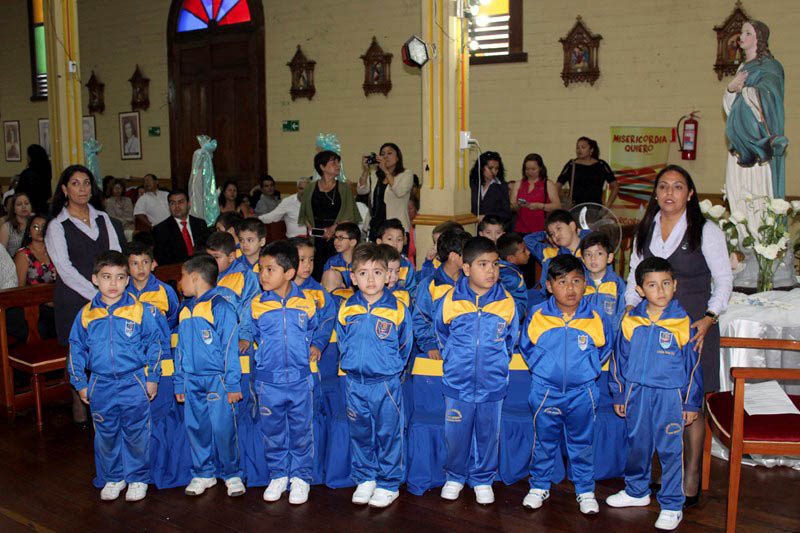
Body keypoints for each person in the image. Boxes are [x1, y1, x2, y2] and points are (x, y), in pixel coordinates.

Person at [625, 164, 732, 506]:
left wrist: (709, 317)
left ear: (689, 194)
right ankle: (667, 472)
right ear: (655, 194)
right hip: (652, 330)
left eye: (678, 186)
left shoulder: (705, 230)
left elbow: (724, 280)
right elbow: (633, 277)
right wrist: (630, 311)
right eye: (664, 186)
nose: (670, 192)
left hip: (694, 329)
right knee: (658, 401)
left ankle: (691, 476)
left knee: (690, 404)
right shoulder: (646, 230)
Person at [607, 257, 702, 531]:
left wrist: (689, 401)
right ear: (639, 290)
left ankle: (673, 504)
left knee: (671, 450)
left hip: (670, 396)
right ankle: (636, 491)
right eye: (652, 285)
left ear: (675, 285)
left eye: (666, 284)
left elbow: (693, 367)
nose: (660, 291)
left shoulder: (683, 323)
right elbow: (618, 360)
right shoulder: (630, 321)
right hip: (636, 392)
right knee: (638, 445)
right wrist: (619, 394)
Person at [67, 251, 166, 502]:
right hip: (100, 383)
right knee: (106, 433)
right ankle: (114, 477)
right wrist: (80, 382)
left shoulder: (139, 310)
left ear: (127, 280)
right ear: (94, 279)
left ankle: (137, 477)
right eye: (107, 277)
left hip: (132, 381)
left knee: (136, 432)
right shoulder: (87, 314)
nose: (113, 284)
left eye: (120, 277)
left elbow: (155, 344)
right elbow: (76, 349)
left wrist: (152, 377)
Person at [519, 254, 612, 514]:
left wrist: (587, 370)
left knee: (582, 443)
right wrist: (544, 369)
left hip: (583, 393)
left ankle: (585, 490)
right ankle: (539, 486)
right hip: (545, 392)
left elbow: (604, 349)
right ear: (549, 286)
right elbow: (527, 347)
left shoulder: (595, 317)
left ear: (585, 285)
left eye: (576, 281)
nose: (570, 289)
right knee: (544, 441)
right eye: (562, 282)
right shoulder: (538, 314)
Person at [434, 237, 518, 505]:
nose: (491, 271)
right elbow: (441, 334)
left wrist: (497, 365)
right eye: (483, 264)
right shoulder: (450, 300)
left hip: (492, 385)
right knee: (455, 434)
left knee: (487, 434)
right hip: (457, 384)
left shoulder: (506, 302)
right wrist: (454, 360)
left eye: (495, 264)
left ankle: (483, 477)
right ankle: (455, 476)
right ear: (467, 269)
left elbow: (510, 340)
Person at [335, 243, 412, 508]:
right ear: (353, 277)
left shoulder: (397, 308)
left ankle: (389, 483)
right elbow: (343, 341)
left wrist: (389, 367)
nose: (371, 279)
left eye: (378, 272)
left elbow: (405, 345)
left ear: (389, 277)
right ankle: (365, 477)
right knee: (360, 432)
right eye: (364, 273)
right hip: (355, 384)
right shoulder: (347, 307)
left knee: (389, 433)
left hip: (385, 384)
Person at [241, 241, 318, 504]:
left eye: (269, 270)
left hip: (299, 380)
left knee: (301, 429)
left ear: (289, 273)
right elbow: (250, 332)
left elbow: (314, 330)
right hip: (268, 383)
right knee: (272, 429)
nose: (263, 275)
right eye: (261, 269)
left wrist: (314, 347)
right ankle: (277, 475)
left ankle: (300, 477)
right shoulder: (256, 304)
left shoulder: (306, 303)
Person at [47, 165, 122, 427]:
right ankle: (79, 405)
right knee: (78, 353)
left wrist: (112, 288)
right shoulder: (58, 225)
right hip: (75, 298)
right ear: (65, 189)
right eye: (76, 184)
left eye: (87, 183)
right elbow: (65, 270)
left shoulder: (103, 218)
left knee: (104, 351)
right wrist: (97, 293)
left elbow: (115, 256)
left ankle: (106, 404)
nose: (82, 189)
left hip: (107, 294)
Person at [174, 254, 245, 497]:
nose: (180, 282)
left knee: (224, 428)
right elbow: (180, 351)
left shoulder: (220, 306)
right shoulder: (185, 311)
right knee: (197, 427)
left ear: (194, 277)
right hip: (192, 380)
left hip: (219, 380)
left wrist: (233, 382)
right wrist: (180, 381)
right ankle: (203, 473)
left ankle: (232, 473)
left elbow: (229, 349)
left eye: (182, 277)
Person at [724, 20, 787, 218]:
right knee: (737, 192)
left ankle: (761, 242)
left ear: (759, 38)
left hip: (758, 140)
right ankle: (741, 239)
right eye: (741, 32)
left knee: (757, 195)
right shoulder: (742, 67)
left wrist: (746, 90)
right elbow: (729, 107)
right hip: (738, 139)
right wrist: (731, 88)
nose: (741, 37)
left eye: (747, 33)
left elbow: (771, 97)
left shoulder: (771, 66)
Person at [298, 151, 361, 280]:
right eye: (333, 162)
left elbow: (349, 213)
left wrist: (333, 229)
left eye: (338, 162)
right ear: (322, 167)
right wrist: (311, 228)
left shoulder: (344, 188)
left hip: (337, 236)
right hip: (316, 236)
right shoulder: (310, 187)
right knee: (315, 268)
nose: (338, 165)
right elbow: (305, 213)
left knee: (334, 271)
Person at [413, 229, 471, 361]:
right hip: (439, 349)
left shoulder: (470, 281)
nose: (471, 258)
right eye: (467, 254)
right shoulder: (430, 284)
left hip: (466, 348)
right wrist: (429, 344)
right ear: (453, 256)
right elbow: (420, 318)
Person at [524, 209, 587, 302]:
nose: (556, 235)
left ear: (572, 226)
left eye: (558, 228)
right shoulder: (550, 252)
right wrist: (545, 234)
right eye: (552, 234)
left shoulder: (590, 252)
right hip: (551, 302)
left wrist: (583, 233)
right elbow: (527, 240)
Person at [358, 143, 414, 241]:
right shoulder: (376, 175)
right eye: (383, 154)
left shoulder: (406, 174)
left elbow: (399, 191)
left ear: (398, 158)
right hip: (375, 226)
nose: (385, 156)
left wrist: (385, 170)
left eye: (389, 153)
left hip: (395, 228)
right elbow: (361, 190)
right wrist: (366, 171)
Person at [204, 232, 260, 327]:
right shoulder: (203, 274)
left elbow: (249, 309)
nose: (211, 261)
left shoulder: (246, 276)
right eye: (208, 256)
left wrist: (245, 337)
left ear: (231, 257)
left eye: (216, 257)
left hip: (236, 334)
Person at [126, 241, 180, 330]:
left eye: (145, 262)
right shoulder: (123, 291)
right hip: (131, 342)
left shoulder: (165, 290)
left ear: (153, 264)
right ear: (127, 268)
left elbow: (175, 319)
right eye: (135, 263)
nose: (141, 267)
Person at [152, 189, 211, 267]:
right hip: (176, 270)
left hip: (202, 266)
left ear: (189, 204)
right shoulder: (160, 229)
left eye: (181, 202)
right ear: (169, 206)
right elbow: (162, 259)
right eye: (173, 203)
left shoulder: (200, 224)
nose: (177, 206)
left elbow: (207, 249)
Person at [581, 231, 626, 329]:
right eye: (588, 254)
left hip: (611, 337)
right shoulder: (580, 283)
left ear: (609, 257)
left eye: (599, 253)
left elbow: (622, 313)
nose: (593, 258)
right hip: (585, 338)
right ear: (583, 259)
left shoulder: (617, 284)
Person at [556, 137, 618, 207]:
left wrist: (607, 206)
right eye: (577, 147)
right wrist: (560, 204)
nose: (579, 150)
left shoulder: (601, 165)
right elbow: (557, 186)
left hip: (596, 209)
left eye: (583, 147)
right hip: (574, 209)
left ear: (591, 150)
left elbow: (615, 186)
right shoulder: (571, 165)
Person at [511, 153, 561, 234]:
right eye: (527, 169)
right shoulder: (518, 184)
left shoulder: (548, 184)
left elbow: (557, 206)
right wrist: (518, 205)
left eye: (533, 169)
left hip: (542, 229)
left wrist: (539, 206)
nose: (530, 172)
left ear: (540, 168)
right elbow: (511, 206)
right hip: (520, 228)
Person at [496, 232, 531, 323]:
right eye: (523, 251)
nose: (528, 252)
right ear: (511, 258)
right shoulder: (511, 277)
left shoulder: (498, 267)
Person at [375, 218, 416, 294]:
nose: (395, 244)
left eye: (399, 239)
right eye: (390, 239)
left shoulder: (406, 265)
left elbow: (412, 290)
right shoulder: (374, 262)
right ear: (379, 242)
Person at [469, 151, 511, 224]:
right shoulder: (471, 184)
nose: (494, 172)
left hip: (492, 227)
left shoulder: (501, 186)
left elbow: (506, 213)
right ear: (481, 167)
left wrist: (486, 217)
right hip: (471, 225)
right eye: (490, 168)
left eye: (496, 168)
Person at [14, 214, 55, 286]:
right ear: (29, 231)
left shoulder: (55, 251)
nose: (40, 230)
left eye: (43, 227)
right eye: (35, 227)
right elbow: (19, 288)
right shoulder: (23, 254)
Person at [321, 222, 360, 291]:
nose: (335, 241)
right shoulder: (331, 262)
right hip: (337, 299)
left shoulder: (362, 261)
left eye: (340, 238)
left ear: (352, 242)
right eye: (335, 237)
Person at [15, 144, 51, 215]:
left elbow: (20, 192)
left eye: (28, 156)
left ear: (31, 157)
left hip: (29, 209)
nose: (26, 158)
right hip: (44, 209)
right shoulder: (46, 171)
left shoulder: (28, 174)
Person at [0, 192, 32, 257]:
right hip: (13, 263)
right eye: (19, 204)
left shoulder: (35, 223)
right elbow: (1, 254)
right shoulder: (6, 227)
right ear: (13, 209)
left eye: (26, 203)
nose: (24, 206)